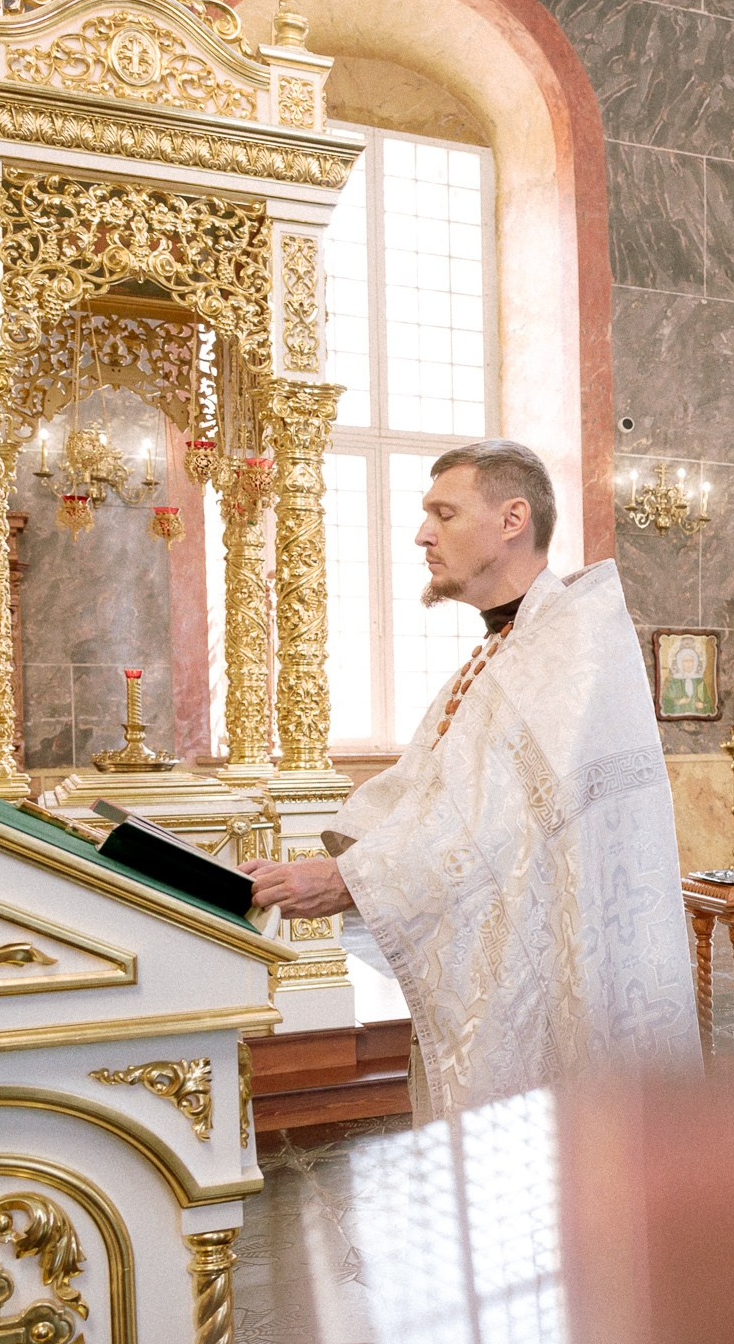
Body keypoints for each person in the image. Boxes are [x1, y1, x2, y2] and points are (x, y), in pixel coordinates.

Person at [242, 439, 699, 1119]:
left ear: (512, 519)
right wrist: (338, 866)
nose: (423, 534)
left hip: (575, 990)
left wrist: (346, 880)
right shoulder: (506, 648)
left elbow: (498, 820)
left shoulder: (572, 651)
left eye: (444, 513)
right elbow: (428, 786)